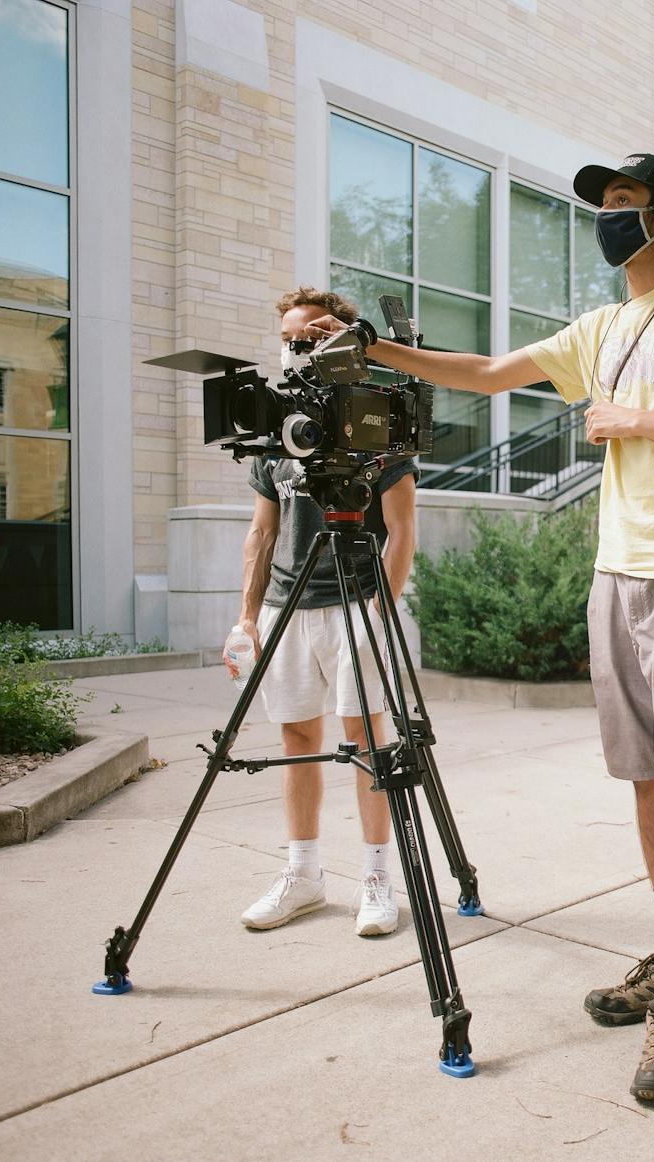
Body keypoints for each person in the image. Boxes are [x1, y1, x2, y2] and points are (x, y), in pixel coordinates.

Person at [307, 153, 654, 1102]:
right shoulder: (602, 326)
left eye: (624, 207)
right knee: (644, 777)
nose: (608, 221)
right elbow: (483, 374)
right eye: (602, 208)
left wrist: (631, 420)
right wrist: (369, 347)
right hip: (620, 565)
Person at [226, 286, 418, 939]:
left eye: (310, 335)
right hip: (288, 607)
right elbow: (261, 534)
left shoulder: (373, 418)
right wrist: (245, 618)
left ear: (338, 338)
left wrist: (378, 614)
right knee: (297, 740)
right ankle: (304, 874)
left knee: (368, 741)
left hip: (354, 601)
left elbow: (402, 530)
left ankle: (375, 879)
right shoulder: (273, 429)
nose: (296, 346)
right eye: (288, 336)